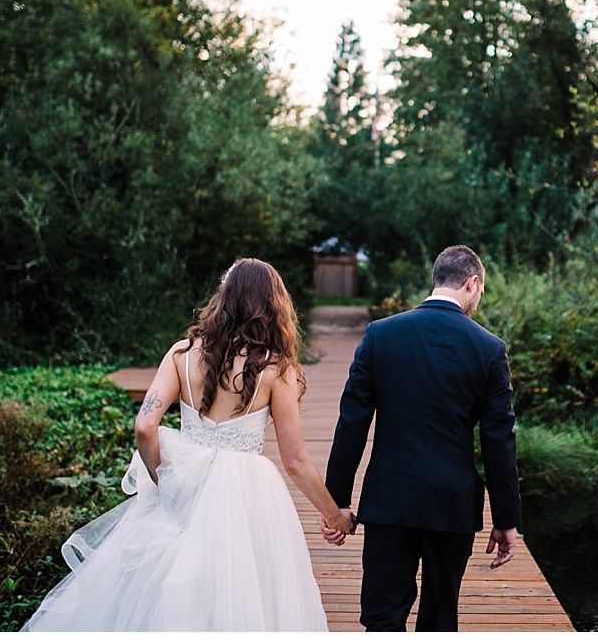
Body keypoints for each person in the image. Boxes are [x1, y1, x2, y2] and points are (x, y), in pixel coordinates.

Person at [23, 258, 356, 631]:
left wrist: (165, 479)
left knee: (166, 586)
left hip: (184, 479)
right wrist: (334, 515)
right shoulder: (277, 369)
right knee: (242, 589)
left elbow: (146, 426)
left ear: (223, 298)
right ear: (274, 305)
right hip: (246, 492)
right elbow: (294, 460)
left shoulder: (182, 354)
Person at [324, 245, 521, 632]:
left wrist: (337, 503)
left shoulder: (381, 335)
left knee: (382, 617)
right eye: (480, 291)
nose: (478, 299)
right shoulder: (489, 349)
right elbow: (499, 442)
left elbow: (352, 423)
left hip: (388, 501)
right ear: (472, 283)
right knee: (439, 617)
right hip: (451, 506)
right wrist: (506, 519)